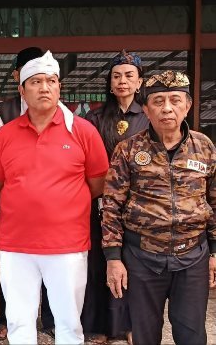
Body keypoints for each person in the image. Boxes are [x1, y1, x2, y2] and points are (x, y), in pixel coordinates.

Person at [0, 51, 109, 344]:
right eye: (36, 82)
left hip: (67, 245)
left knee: (68, 323)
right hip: (16, 245)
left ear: (59, 87)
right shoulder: (4, 135)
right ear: (22, 90)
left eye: (51, 81)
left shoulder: (83, 131)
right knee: (19, 322)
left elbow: (97, 184)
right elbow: (0, 184)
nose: (44, 88)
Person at [102, 70, 216, 345]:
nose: (167, 108)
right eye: (158, 101)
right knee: (144, 335)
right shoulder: (128, 149)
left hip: (193, 257)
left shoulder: (204, 147)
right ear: (146, 109)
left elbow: (214, 200)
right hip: (143, 257)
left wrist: (215, 252)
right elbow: (111, 205)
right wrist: (113, 258)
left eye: (175, 100)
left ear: (187, 105)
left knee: (192, 335)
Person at [0, 47, 55, 342]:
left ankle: (50, 320)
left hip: (54, 208)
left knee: (53, 264)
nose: (41, 84)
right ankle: (6, 320)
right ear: (18, 77)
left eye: (47, 77)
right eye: (32, 74)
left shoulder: (66, 116)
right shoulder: (4, 111)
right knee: (12, 267)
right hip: (16, 206)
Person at [83, 50, 148, 344]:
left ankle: (131, 326)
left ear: (139, 82)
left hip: (139, 202)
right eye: (116, 76)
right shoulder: (94, 117)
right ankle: (100, 326)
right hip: (102, 200)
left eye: (129, 76)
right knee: (99, 262)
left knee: (134, 263)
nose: (122, 81)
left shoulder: (148, 116)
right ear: (109, 83)